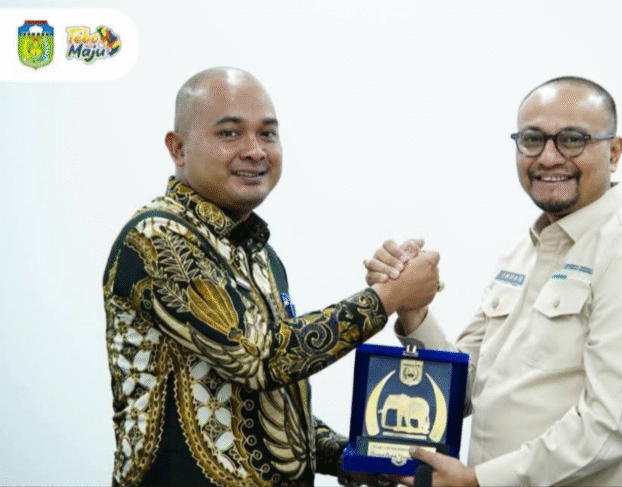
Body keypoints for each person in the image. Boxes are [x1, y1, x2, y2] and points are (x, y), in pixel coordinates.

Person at [102, 66, 440, 487]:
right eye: (230, 133)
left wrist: (348, 458)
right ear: (178, 148)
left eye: (267, 134)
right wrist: (387, 297)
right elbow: (259, 359)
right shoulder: (158, 237)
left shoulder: (261, 255)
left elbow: (269, 397)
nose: (255, 150)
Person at [367, 76, 622, 486]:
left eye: (572, 140)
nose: (548, 157)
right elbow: (464, 389)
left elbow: (609, 426)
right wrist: (413, 309)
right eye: (532, 140)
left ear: (613, 152)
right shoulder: (520, 253)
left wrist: (478, 481)